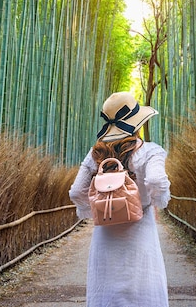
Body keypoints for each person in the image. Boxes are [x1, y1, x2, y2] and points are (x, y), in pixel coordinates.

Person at [69, 92, 171, 307]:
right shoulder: (150, 151)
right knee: (142, 285)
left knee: (107, 289)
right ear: (137, 124)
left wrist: (100, 206)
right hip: (140, 229)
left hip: (105, 233)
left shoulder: (95, 154)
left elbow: (76, 191)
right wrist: (154, 201)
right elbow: (156, 180)